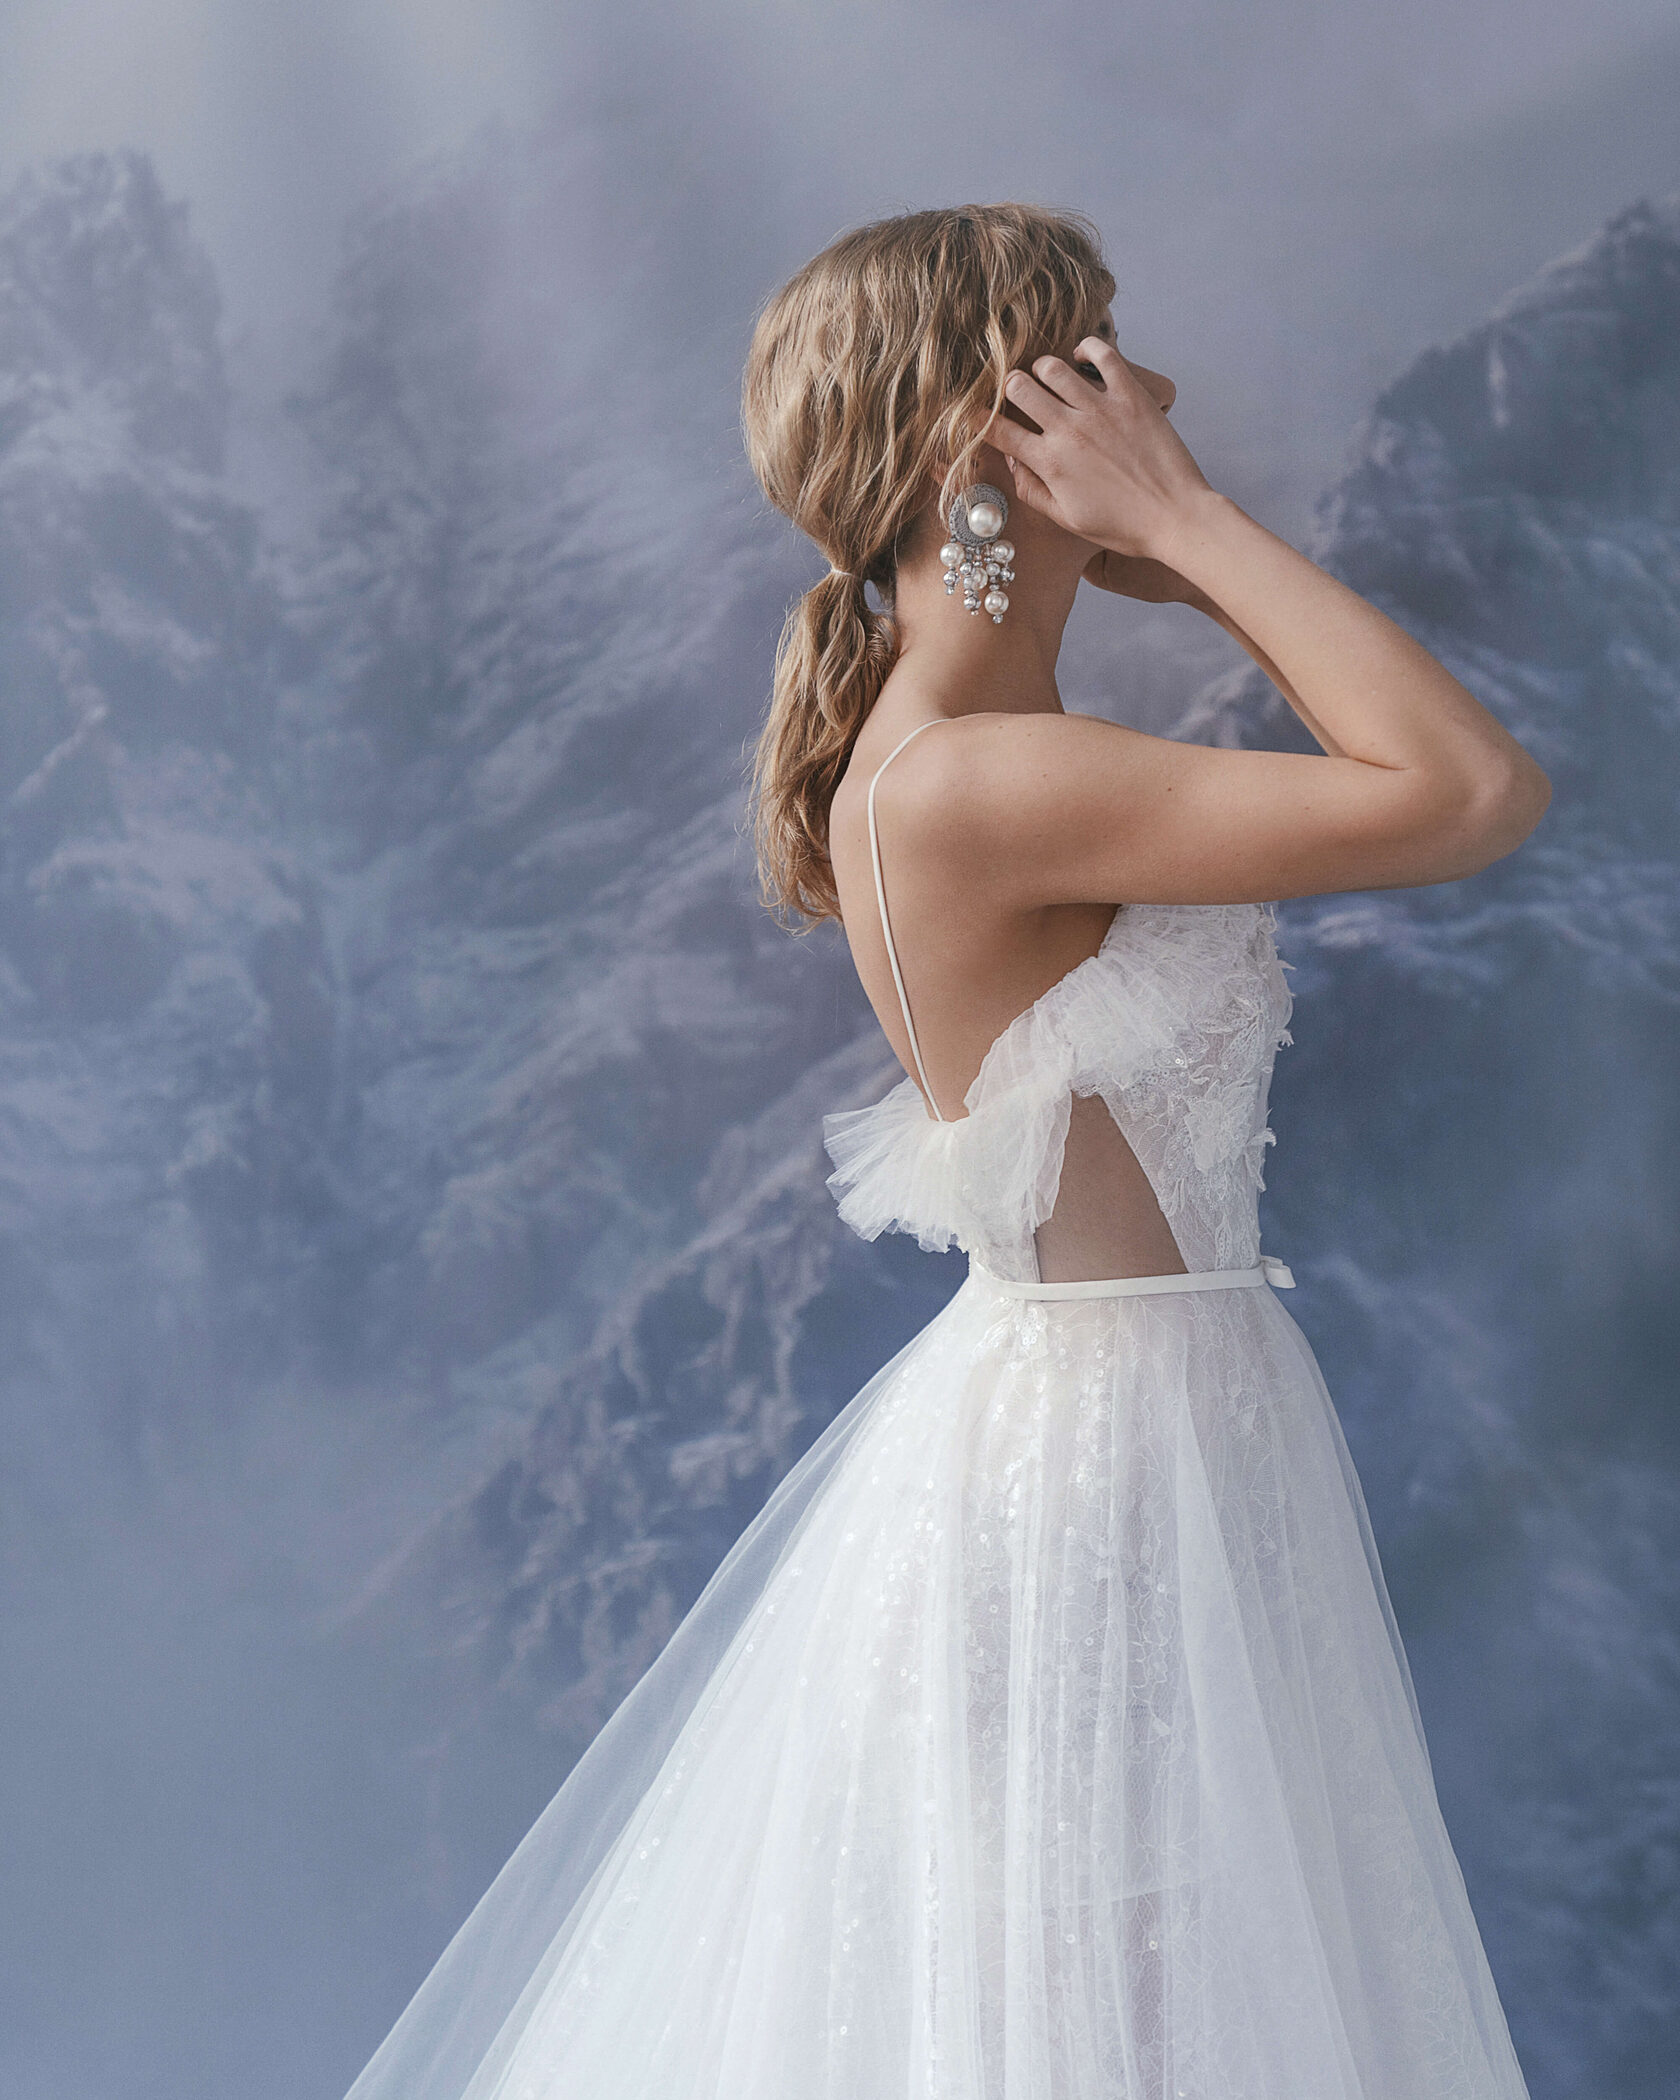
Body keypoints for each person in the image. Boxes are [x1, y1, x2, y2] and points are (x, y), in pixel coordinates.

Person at [344, 205, 1549, 2100]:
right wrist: (1191, 525)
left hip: (1135, 1413)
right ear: (992, 427)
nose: (1157, 391)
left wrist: (1161, 546)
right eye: (1103, 360)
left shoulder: (981, 743)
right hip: (1116, 1452)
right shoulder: (985, 776)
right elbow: (1468, 793)